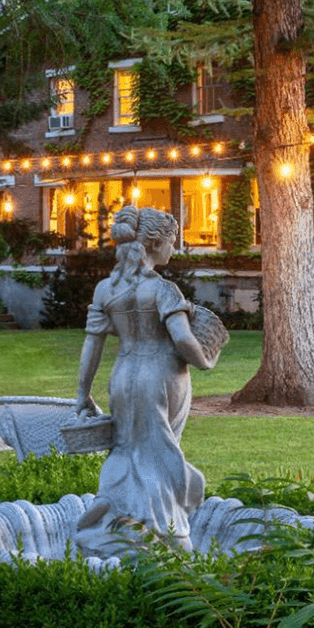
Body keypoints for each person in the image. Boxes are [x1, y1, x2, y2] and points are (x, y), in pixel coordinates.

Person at [73, 205, 216, 554]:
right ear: (154, 243)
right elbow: (182, 339)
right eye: (171, 242)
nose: (174, 249)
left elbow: (93, 344)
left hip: (123, 376)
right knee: (159, 453)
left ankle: (117, 515)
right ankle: (165, 531)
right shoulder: (164, 290)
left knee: (129, 449)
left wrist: (82, 392)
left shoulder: (105, 289)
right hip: (162, 375)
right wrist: (205, 361)